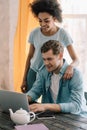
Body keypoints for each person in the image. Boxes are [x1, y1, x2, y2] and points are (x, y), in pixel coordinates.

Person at [21, 0, 79, 93]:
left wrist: (70, 67)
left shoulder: (63, 34)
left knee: (49, 102)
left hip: (52, 74)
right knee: (29, 102)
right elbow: (30, 57)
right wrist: (24, 79)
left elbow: (76, 59)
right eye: (40, 21)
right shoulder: (34, 33)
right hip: (33, 72)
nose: (43, 24)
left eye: (47, 21)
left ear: (55, 18)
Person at [27, 40, 87, 115]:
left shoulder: (75, 74)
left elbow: (76, 106)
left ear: (60, 56)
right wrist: (25, 99)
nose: (46, 63)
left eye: (49, 59)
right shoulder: (43, 71)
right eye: (44, 59)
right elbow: (35, 91)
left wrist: (46, 106)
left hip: (77, 118)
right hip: (55, 116)